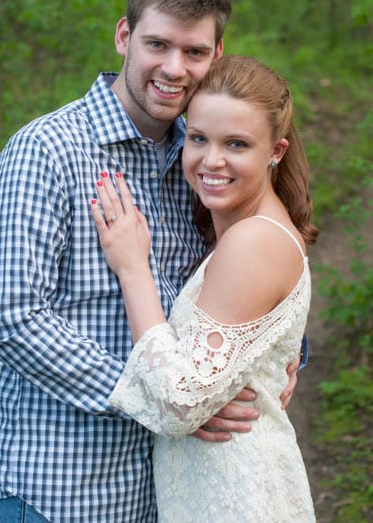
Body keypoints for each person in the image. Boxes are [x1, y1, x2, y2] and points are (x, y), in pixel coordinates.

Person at [0, 0, 301, 522]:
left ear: (216, 55)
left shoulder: (205, 156)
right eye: (157, 44)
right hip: (59, 489)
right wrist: (170, 400)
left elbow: (252, 270)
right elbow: (11, 318)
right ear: (123, 36)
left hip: (166, 493)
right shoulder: (46, 151)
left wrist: (280, 355)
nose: (173, 68)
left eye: (194, 52)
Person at [93, 55, 316, 520]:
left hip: (237, 494)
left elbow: (179, 401)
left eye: (236, 144)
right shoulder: (245, 231)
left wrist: (134, 269)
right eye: (198, 138)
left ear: (275, 151)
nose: (211, 160)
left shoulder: (254, 239)